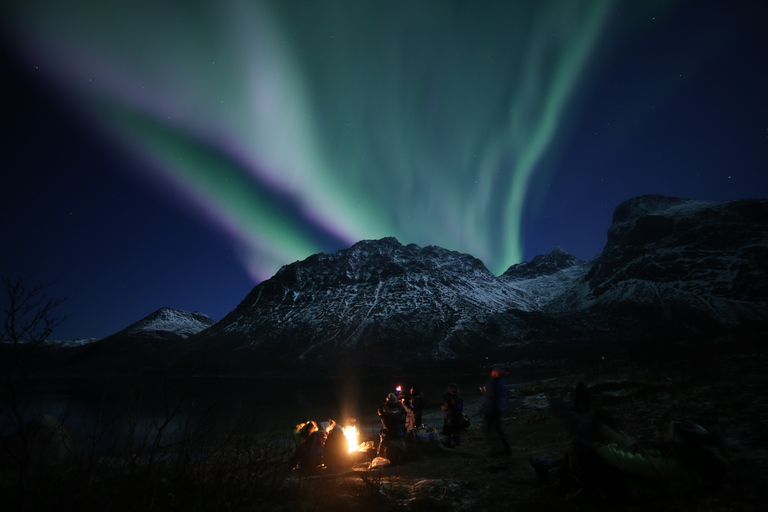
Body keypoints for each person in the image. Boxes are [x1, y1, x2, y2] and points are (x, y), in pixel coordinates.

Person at [481, 367, 511, 455]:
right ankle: (505, 448)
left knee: (488, 429)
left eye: (494, 372)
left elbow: (490, 398)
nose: (492, 372)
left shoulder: (492, 384)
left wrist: (483, 407)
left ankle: (497, 449)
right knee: (497, 429)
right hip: (498, 408)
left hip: (492, 409)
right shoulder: (501, 382)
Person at [441, 383, 464, 448]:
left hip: (450, 418)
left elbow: (444, 408)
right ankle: (457, 445)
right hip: (458, 418)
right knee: (456, 433)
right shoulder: (459, 398)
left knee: (449, 433)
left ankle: (451, 445)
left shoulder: (448, 398)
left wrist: (443, 407)